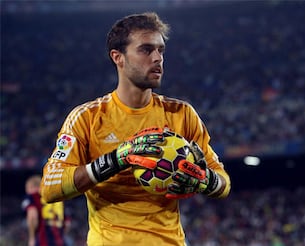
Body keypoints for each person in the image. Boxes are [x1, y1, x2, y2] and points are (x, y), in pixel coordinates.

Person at [40, 12, 231, 245]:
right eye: (146, 50)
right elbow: (50, 187)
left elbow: (223, 183)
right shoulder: (87, 117)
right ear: (118, 57)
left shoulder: (182, 114)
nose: (157, 58)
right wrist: (115, 161)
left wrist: (206, 180)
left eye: (161, 50)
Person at [22, 174, 70, 246]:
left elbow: (32, 216)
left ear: (31, 187)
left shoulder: (33, 196)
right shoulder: (59, 199)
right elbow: (67, 224)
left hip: (43, 241)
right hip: (60, 241)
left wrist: (32, 238)